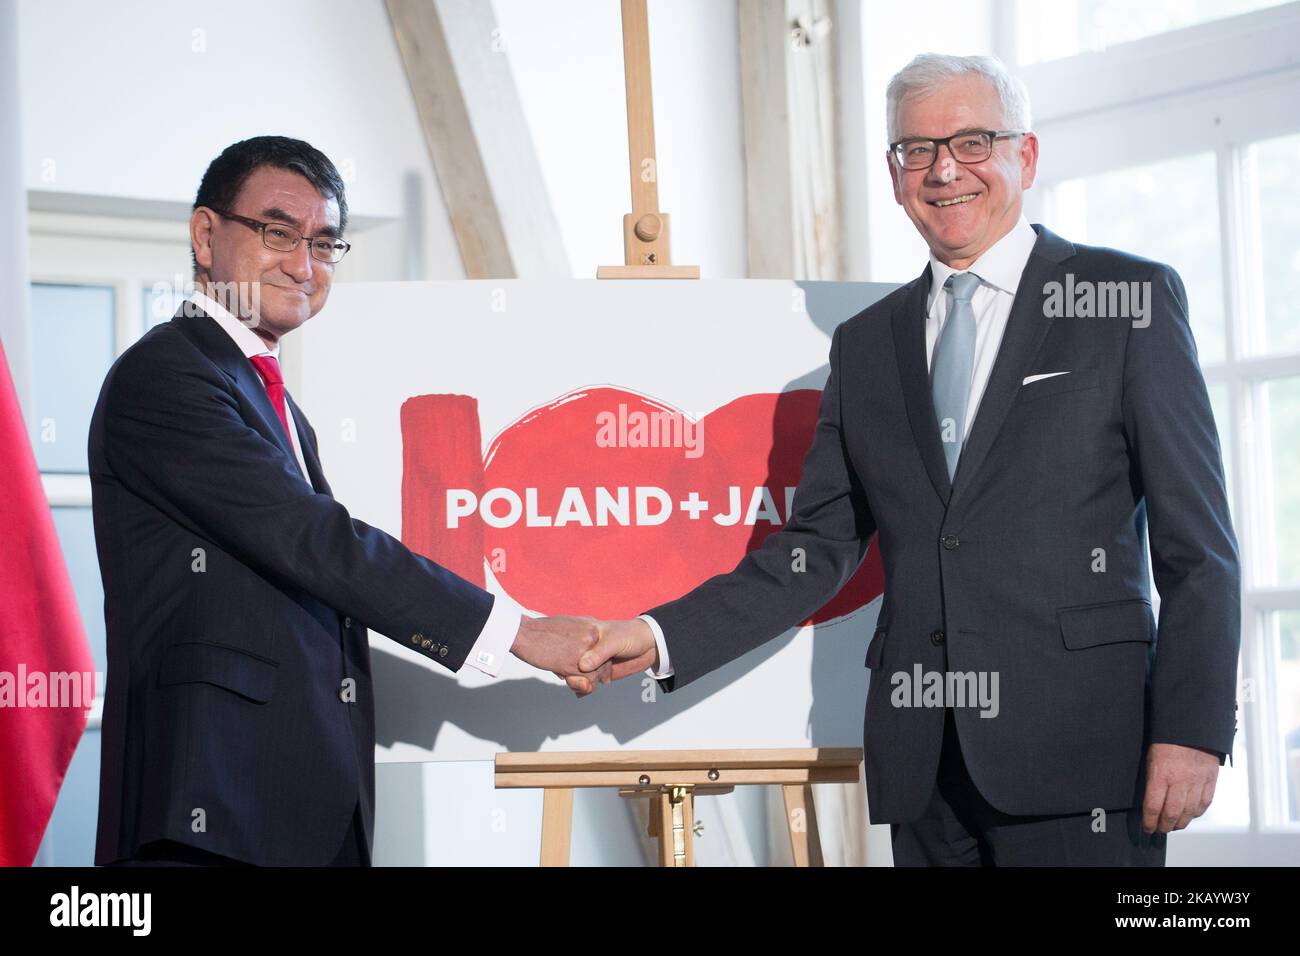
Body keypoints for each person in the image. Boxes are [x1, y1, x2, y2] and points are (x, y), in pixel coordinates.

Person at [572, 54, 1240, 866]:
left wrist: (1191, 730)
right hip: (922, 769)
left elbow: (1198, 549)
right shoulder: (866, 345)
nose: (944, 169)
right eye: (917, 150)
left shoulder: (1124, 300)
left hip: (1084, 760)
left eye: (972, 140)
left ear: (1024, 157)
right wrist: (659, 634)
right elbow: (814, 550)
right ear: (894, 176)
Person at [89, 136, 604, 867]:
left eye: (325, 244)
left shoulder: (274, 402)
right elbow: (317, 542)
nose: (304, 266)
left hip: (299, 812)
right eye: (277, 233)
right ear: (206, 235)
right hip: (209, 812)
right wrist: (515, 631)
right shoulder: (168, 376)